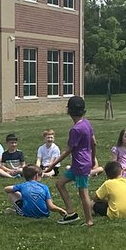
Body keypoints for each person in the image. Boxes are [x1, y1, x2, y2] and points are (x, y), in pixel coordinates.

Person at [46, 95, 96, 226]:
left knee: (83, 193)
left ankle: (89, 221)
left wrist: (52, 165)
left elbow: (68, 150)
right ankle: (71, 213)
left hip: (80, 165)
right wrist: (92, 159)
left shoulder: (75, 130)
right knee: (60, 183)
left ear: (69, 110)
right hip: (80, 164)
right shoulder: (87, 123)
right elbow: (94, 143)